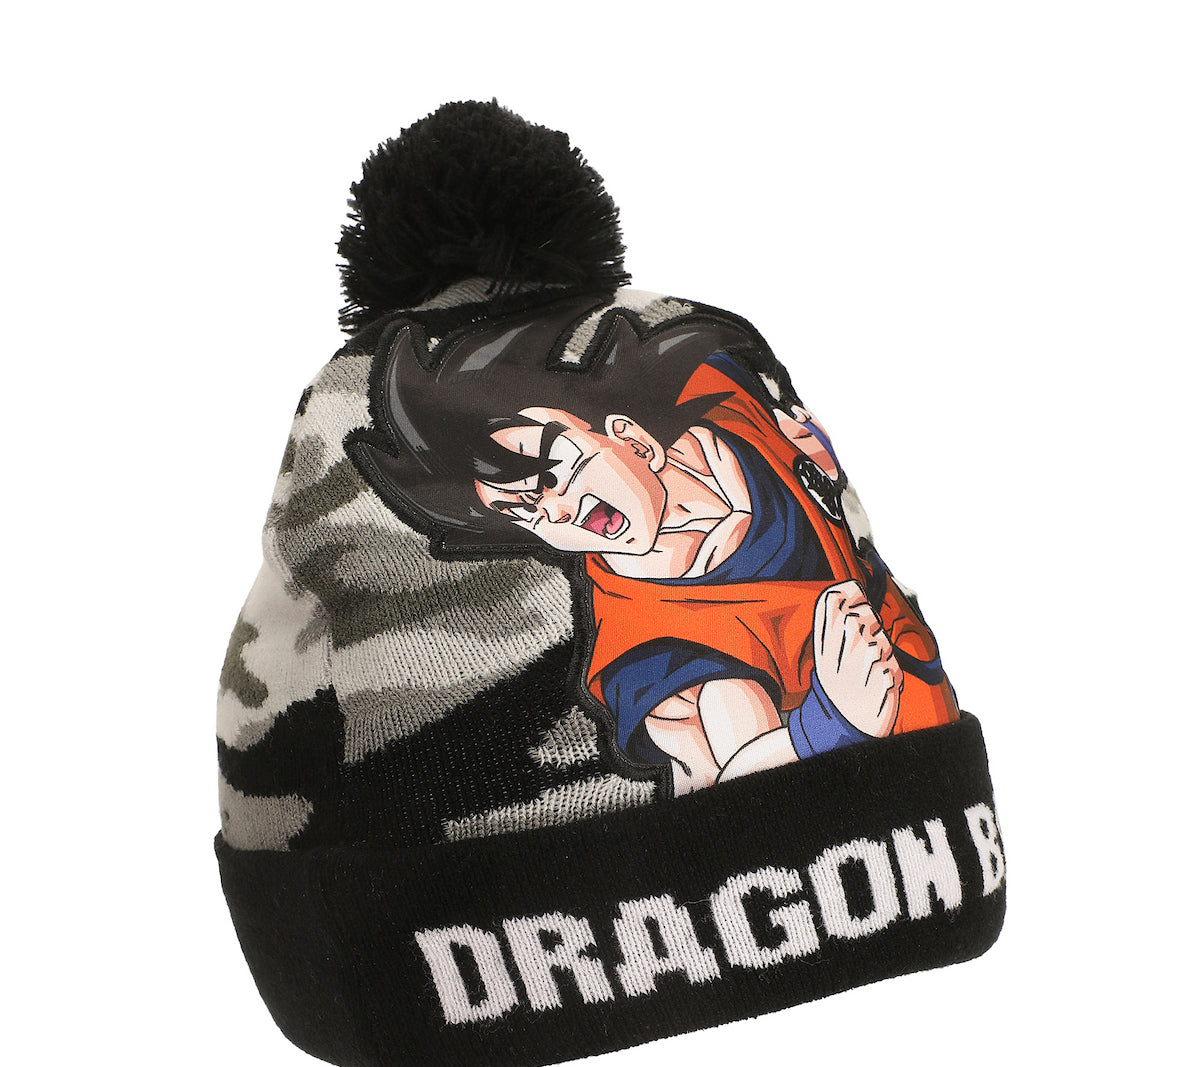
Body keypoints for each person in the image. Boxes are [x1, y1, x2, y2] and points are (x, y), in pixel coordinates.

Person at [354, 296, 958, 795]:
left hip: (944, 787)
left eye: (553, 472)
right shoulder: (646, 641)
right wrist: (829, 725)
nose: (556, 511)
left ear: (632, 437)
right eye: (524, 511)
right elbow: (731, 771)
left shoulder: (726, 389)